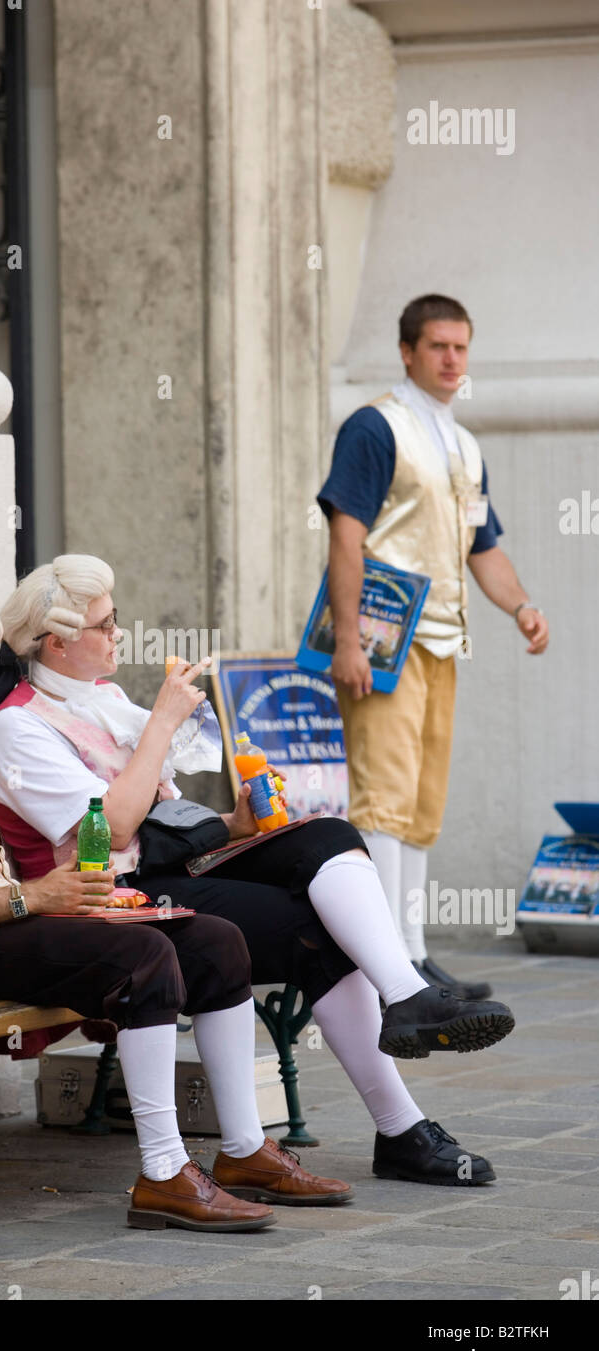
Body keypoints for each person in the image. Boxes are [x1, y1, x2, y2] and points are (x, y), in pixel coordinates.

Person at [0, 593, 356, 1236]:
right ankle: (163, 1174)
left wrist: (63, 895)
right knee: (143, 958)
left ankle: (243, 1152)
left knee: (214, 941)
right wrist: (34, 896)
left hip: (3, 931)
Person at [0, 555, 515, 1187]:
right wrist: (162, 725)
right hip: (108, 896)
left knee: (329, 834)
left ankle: (408, 1000)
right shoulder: (18, 728)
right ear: (58, 643)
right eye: (105, 624)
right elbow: (113, 832)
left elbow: (161, 819)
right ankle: (397, 1127)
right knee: (313, 925)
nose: (118, 632)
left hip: (164, 867)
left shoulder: (105, 701)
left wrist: (232, 824)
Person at [318, 294, 550, 998]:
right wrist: (349, 639)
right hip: (385, 642)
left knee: (420, 803)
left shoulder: (463, 443)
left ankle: (413, 954)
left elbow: (484, 545)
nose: (453, 360)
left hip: (445, 641)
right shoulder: (373, 427)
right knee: (383, 799)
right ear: (408, 351)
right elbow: (345, 536)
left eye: (462, 347)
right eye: (439, 347)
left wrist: (521, 605)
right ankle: (388, 965)